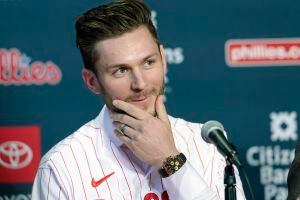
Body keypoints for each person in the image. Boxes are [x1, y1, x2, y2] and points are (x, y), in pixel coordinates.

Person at [32, 0, 245, 199]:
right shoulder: (61, 166)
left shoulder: (208, 145)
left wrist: (169, 160)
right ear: (92, 81)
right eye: (121, 70)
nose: (140, 83)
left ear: (163, 59)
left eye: (148, 63)